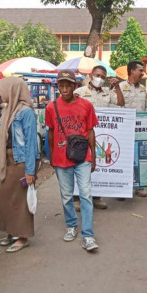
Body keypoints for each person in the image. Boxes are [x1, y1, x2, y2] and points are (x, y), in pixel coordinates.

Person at [46, 69, 99, 252]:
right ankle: (71, 224)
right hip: (61, 158)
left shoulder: (86, 105)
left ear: (74, 86)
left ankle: (88, 234)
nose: (65, 88)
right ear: (58, 86)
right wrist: (52, 155)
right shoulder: (51, 107)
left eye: (68, 84)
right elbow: (51, 132)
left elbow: (91, 131)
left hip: (82, 157)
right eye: (61, 84)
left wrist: (94, 156)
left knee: (85, 194)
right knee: (67, 195)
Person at [0, 77, 39, 253]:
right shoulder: (9, 111)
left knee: (20, 200)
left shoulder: (26, 112)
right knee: (5, 197)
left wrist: (30, 170)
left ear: (13, 90)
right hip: (7, 160)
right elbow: (3, 130)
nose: (0, 92)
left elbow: (31, 143)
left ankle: (23, 236)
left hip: (21, 161)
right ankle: (11, 232)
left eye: (3, 89)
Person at [73, 65, 125, 211]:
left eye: (103, 77)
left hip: (101, 134)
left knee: (99, 165)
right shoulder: (79, 92)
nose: (100, 79)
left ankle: (97, 197)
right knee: (80, 163)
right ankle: (76, 197)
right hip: (82, 134)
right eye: (97, 75)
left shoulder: (107, 93)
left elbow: (121, 103)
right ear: (90, 75)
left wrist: (117, 87)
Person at [119, 60, 147, 197]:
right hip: (124, 130)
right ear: (132, 71)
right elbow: (115, 106)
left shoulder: (143, 89)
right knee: (123, 159)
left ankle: (139, 186)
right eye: (140, 70)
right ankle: (122, 189)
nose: (142, 73)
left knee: (139, 158)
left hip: (141, 130)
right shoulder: (120, 86)